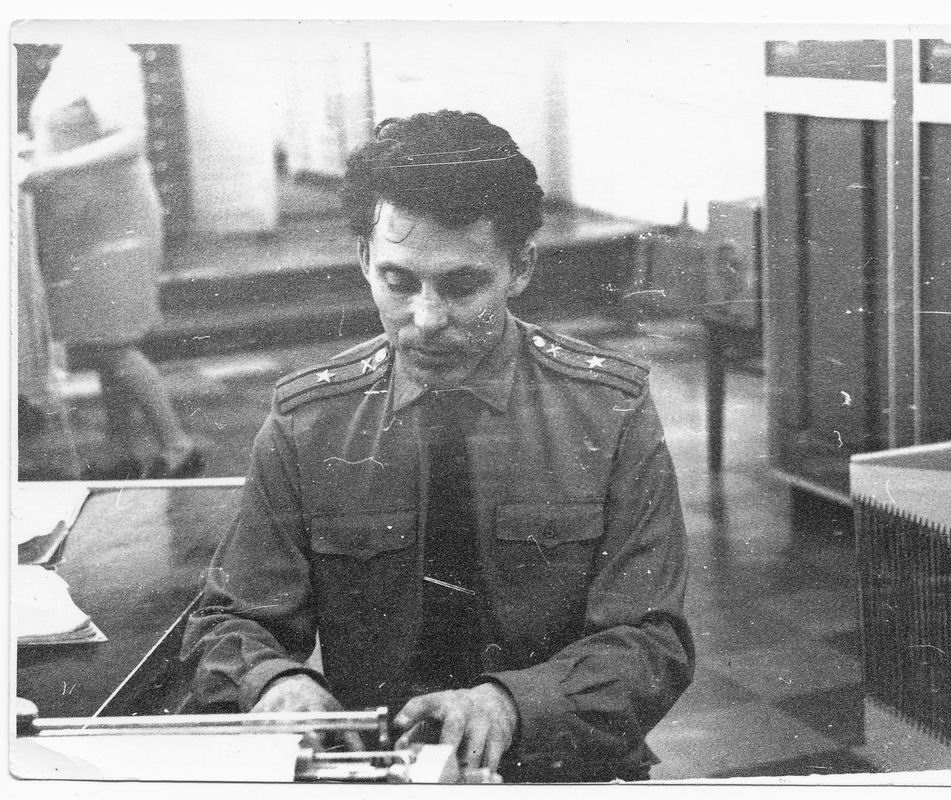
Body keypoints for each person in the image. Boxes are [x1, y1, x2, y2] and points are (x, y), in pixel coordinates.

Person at [180, 110, 693, 782]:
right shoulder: (309, 423)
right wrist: (275, 682)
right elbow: (229, 621)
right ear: (363, 260)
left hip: (561, 764)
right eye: (398, 282)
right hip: (378, 771)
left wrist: (510, 705)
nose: (425, 319)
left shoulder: (609, 411)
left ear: (520, 267)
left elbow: (651, 642)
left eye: (461, 285)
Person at [22, 40, 206, 480]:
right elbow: (63, 134)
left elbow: (131, 140)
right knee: (103, 337)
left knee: (110, 344)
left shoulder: (104, 53)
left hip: (114, 218)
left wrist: (45, 168)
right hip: (80, 218)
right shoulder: (70, 54)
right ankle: (122, 451)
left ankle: (178, 447)